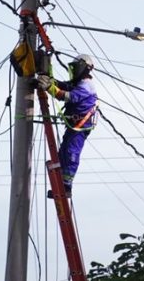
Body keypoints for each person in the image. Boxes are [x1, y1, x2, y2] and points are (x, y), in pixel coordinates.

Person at [38, 54, 98, 198]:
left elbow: (67, 96)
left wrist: (49, 87)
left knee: (71, 153)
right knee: (63, 153)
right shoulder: (79, 83)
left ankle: (66, 187)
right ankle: (60, 185)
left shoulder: (87, 86)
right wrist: (52, 81)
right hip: (73, 125)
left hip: (80, 127)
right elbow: (66, 86)